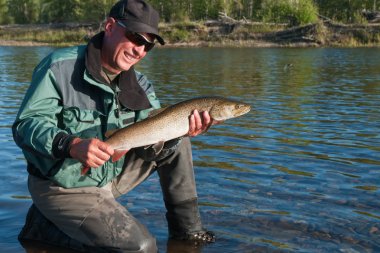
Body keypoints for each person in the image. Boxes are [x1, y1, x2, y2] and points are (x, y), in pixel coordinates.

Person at [12, 0, 215, 252]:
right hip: (61, 186)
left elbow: (153, 147)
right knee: (140, 247)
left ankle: (187, 236)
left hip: (110, 173)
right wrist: (70, 144)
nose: (140, 50)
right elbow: (25, 125)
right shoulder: (59, 67)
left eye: (148, 45)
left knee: (178, 140)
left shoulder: (139, 83)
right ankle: (45, 228)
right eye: (135, 37)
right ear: (109, 26)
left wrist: (178, 133)